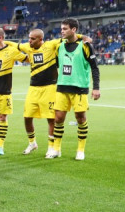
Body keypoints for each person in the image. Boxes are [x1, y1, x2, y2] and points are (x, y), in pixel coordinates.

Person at [10, 29, 89, 155]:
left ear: (41, 39)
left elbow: (69, 37)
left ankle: (51, 147)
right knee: (27, 117)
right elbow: (14, 45)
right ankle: (32, 143)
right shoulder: (27, 47)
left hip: (50, 87)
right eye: (29, 38)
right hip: (33, 88)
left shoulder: (50, 45)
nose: (29, 41)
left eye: (33, 39)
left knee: (51, 119)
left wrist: (83, 36)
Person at [49, 18, 100, 160]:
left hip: (79, 89)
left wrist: (96, 88)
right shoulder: (59, 46)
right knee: (58, 118)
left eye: (65, 29)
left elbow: (95, 68)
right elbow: (56, 65)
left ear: (74, 30)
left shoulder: (85, 46)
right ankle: (56, 149)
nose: (62, 31)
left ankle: (80, 150)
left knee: (80, 118)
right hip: (62, 87)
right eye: (61, 29)